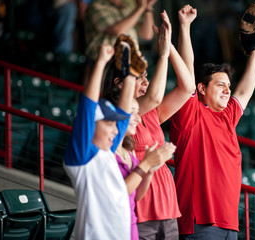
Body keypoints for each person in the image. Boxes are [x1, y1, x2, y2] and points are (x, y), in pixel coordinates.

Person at [169, 6, 255, 240]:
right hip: (200, 224)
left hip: (230, 224)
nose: (227, 90)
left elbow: (243, 91)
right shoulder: (189, 114)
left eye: (228, 86)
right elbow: (186, 73)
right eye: (220, 84)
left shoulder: (227, 117)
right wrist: (184, 27)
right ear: (201, 89)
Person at [103, 7, 196, 239]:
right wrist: (162, 55)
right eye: (140, 79)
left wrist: (169, 45)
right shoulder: (117, 115)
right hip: (141, 209)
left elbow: (188, 88)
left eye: (146, 79)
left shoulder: (152, 114)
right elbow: (154, 96)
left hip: (167, 204)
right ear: (120, 83)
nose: (145, 84)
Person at [63, 43, 136, 240]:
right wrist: (101, 62)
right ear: (92, 126)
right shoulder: (83, 158)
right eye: (109, 124)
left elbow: (124, 113)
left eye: (115, 125)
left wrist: (130, 76)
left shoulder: (108, 151)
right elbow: (87, 106)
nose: (115, 131)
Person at [116, 98, 177, 240]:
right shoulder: (104, 152)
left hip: (135, 225)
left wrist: (149, 170)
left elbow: (136, 194)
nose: (138, 117)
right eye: (132, 112)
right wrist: (147, 164)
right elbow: (119, 194)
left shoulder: (128, 152)